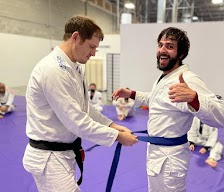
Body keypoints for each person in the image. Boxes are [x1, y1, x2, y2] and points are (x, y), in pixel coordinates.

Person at [22, 15, 138, 192]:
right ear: (75, 37)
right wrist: (117, 136)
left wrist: (113, 125)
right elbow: (76, 121)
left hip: (64, 153)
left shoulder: (74, 67)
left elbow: (84, 108)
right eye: (91, 47)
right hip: (49, 158)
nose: (93, 53)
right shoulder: (53, 70)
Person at [112, 27, 224, 192]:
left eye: (169, 46)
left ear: (181, 54)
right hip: (158, 154)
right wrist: (131, 94)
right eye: (160, 45)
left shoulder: (187, 79)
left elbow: (221, 116)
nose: (162, 50)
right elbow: (156, 99)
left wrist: (194, 98)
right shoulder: (166, 76)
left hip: (170, 159)